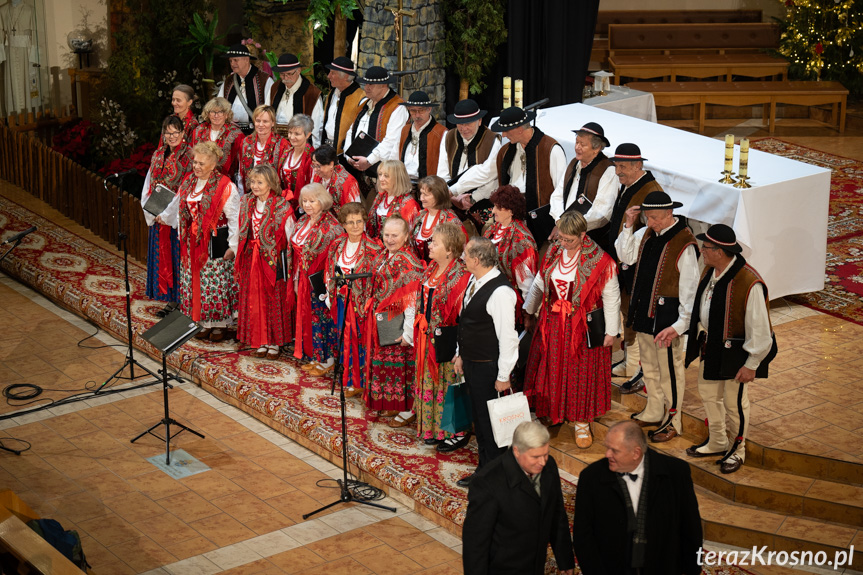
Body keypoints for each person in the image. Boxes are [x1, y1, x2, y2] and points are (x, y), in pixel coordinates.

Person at [684, 224, 777, 474]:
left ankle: (738, 450)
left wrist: (752, 364)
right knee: (708, 394)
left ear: (721, 251)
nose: (702, 250)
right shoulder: (710, 270)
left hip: (736, 354)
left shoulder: (748, 281)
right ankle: (717, 440)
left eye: (706, 247)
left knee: (733, 403)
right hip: (711, 346)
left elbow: (760, 330)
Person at [523, 211, 620, 448]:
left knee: (580, 374)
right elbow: (539, 282)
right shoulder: (555, 252)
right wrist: (528, 311)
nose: (563, 243)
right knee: (550, 369)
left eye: (569, 240)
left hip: (581, 328)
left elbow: (611, 297)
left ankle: (581, 422)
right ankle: (551, 412)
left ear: (583, 235)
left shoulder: (600, 260)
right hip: (554, 325)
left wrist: (611, 332)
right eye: (561, 239)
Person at [615, 191, 699, 443]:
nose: (650, 223)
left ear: (670, 213)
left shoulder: (685, 244)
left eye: (655, 218)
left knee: (670, 372)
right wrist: (629, 226)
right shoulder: (647, 234)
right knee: (649, 367)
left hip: (667, 322)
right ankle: (653, 409)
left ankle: (674, 420)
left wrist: (680, 325)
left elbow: (690, 289)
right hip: (644, 314)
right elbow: (626, 256)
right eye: (647, 217)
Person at [573, 420, 703, 575]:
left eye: (615, 451)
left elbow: (691, 529)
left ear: (636, 453)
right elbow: (583, 535)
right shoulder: (591, 477)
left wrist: (693, 570)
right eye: (607, 448)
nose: (607, 454)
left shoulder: (676, 473)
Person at [462, 421, 574, 575]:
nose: (542, 462)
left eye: (546, 454)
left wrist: (564, 559)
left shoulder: (549, 467)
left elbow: (556, 513)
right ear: (516, 451)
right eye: (535, 457)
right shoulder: (487, 482)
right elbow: (475, 543)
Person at [155, 141, 240, 342]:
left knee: (215, 282)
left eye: (202, 163)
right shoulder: (188, 181)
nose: (197, 167)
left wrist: (233, 246)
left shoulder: (226, 186)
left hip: (214, 243)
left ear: (213, 164)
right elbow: (177, 204)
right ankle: (201, 321)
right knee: (194, 281)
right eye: (195, 162)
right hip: (190, 243)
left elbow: (235, 218)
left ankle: (220, 324)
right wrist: (163, 216)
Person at [453, 237, 518, 487]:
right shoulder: (475, 280)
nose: (463, 259)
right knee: (480, 420)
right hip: (472, 362)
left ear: (477, 260)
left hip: (488, 368)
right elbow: (466, 321)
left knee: (491, 424)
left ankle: (493, 475)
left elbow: (508, 338)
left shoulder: (500, 292)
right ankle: (486, 469)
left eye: (466, 256)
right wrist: (460, 354)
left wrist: (503, 376)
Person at [400, 223, 470, 446]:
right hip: (425, 338)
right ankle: (431, 429)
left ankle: (454, 432)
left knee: (448, 384)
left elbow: (463, 316)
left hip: (446, 341)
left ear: (449, 249)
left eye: (435, 243)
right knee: (429, 383)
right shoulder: (430, 269)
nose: (429, 245)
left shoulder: (461, 276)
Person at [607, 143, 664, 392]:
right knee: (625, 309)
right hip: (623, 261)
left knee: (632, 312)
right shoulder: (630, 185)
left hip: (636, 266)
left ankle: (634, 366)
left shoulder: (650, 191)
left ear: (638, 166)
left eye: (623, 167)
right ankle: (629, 362)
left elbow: (651, 234)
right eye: (616, 166)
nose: (617, 172)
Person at [363, 215, 424, 418]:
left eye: (395, 235)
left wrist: (407, 333)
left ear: (406, 236)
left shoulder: (409, 264)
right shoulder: (383, 256)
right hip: (383, 321)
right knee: (382, 363)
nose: (390, 239)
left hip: (397, 324)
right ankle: (386, 401)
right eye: (386, 235)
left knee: (400, 366)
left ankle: (405, 407)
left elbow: (412, 301)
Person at [234, 164, 296, 359]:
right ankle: (260, 340)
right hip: (251, 259)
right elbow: (240, 230)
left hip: (273, 261)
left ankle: (275, 343)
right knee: (254, 299)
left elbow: (290, 235)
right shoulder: (246, 202)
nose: (255, 186)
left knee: (272, 301)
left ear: (270, 183)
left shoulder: (281, 205)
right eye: (252, 181)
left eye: (259, 182)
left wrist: (287, 265)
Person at [324, 202, 384, 397]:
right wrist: (329, 292)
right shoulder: (336, 244)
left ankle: (362, 380)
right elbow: (329, 270)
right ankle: (349, 378)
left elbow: (378, 278)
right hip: (342, 301)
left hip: (362, 305)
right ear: (343, 224)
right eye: (350, 222)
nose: (355, 226)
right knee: (345, 339)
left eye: (359, 221)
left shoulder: (374, 248)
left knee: (361, 341)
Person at [141, 115, 193, 315]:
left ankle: (181, 301)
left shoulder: (188, 155)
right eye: (168, 133)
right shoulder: (158, 154)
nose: (172, 137)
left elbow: (186, 187)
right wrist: (150, 210)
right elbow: (148, 182)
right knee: (162, 257)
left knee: (176, 257)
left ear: (182, 133)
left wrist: (169, 214)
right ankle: (169, 300)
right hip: (157, 214)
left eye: (176, 132)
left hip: (176, 216)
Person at [491, 106, 566, 243]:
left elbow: (561, 192)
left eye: (506, 130)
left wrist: (559, 223)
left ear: (520, 130)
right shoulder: (506, 152)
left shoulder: (551, 150)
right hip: (513, 223)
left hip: (543, 224)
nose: (504, 135)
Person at [291, 183, 344, 375]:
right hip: (303, 278)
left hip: (321, 281)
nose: (308, 204)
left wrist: (329, 285)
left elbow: (336, 258)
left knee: (323, 318)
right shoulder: (302, 221)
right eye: (305, 201)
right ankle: (315, 355)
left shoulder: (332, 227)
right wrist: (296, 280)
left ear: (322, 201)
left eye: (312, 201)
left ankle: (328, 359)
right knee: (310, 318)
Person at [549, 122, 616, 252]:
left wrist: (571, 228)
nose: (577, 147)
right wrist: (559, 221)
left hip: (590, 238)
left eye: (583, 144)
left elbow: (602, 213)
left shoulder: (607, 170)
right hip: (565, 233)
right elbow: (557, 195)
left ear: (596, 149)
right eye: (576, 142)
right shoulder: (574, 163)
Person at [482, 185, 538, 326]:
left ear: (511, 210)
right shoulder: (491, 230)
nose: (493, 211)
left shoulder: (521, 239)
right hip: (486, 295)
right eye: (494, 206)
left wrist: (528, 313)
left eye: (498, 207)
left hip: (508, 301)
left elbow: (527, 281)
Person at [343, 67, 408, 181]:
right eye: (366, 84)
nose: (366, 88)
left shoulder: (397, 107)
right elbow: (351, 130)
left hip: (385, 174)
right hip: (359, 171)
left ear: (383, 85)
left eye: (370, 84)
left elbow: (391, 141)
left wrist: (369, 160)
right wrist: (348, 156)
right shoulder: (365, 103)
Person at [437, 99, 501, 214]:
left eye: (468, 123)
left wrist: (469, 196)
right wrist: (452, 196)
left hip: (482, 204)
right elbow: (442, 173)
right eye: (460, 124)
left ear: (479, 121)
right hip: (452, 201)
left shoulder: (492, 140)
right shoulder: (449, 137)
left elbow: (488, 173)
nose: (464, 128)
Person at [267, 53, 324, 147]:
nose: (285, 78)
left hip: (300, 145)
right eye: (282, 74)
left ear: (298, 71)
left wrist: (314, 151)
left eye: (289, 74)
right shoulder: (275, 88)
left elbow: (316, 128)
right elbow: (267, 114)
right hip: (275, 143)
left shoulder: (312, 93)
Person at [217, 44, 274, 134]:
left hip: (256, 133)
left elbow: (269, 109)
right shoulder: (229, 81)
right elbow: (219, 104)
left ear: (246, 60)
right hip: (231, 132)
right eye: (230, 60)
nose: (232, 64)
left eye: (236, 60)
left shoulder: (265, 80)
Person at [411, 175, 466, 262]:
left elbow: (461, 254)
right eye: (421, 193)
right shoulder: (420, 216)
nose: (421, 198)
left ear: (438, 196)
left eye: (426, 195)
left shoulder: (451, 221)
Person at [238, 105, 290, 195]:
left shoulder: (282, 144)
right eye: (258, 121)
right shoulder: (246, 142)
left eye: (265, 121)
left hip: (273, 195)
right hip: (250, 193)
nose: (261, 125)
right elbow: (241, 172)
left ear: (272, 123)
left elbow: (285, 177)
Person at [397, 91, 446, 183]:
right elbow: (396, 157)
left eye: (421, 110)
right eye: (413, 110)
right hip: (404, 183)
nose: (417, 115)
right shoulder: (405, 130)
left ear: (429, 109)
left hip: (428, 187)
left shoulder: (441, 133)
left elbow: (444, 168)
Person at [191, 97, 245, 180]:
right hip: (200, 177)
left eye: (220, 112)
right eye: (213, 112)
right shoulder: (199, 131)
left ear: (227, 115)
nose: (216, 115)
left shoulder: (236, 134)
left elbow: (241, 162)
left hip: (225, 180)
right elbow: (192, 156)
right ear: (208, 114)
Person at [320, 56, 365, 154]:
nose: (328, 76)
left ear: (345, 76)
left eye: (333, 73)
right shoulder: (332, 93)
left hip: (345, 153)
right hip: (326, 149)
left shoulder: (361, 97)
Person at [366, 160, 420, 239]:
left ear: (397, 178)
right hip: (374, 246)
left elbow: (410, 237)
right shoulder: (380, 197)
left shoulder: (409, 204)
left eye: (386, 176)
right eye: (380, 174)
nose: (381, 179)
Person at [311, 144, 361, 217]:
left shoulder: (347, 183)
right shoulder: (318, 175)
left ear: (331, 164)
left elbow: (353, 212)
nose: (315, 169)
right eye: (313, 165)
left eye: (318, 166)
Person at [280, 114, 315, 207]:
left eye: (297, 134)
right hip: (284, 203)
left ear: (308, 135)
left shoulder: (312, 158)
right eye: (290, 132)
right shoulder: (286, 153)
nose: (291, 137)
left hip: (304, 205)